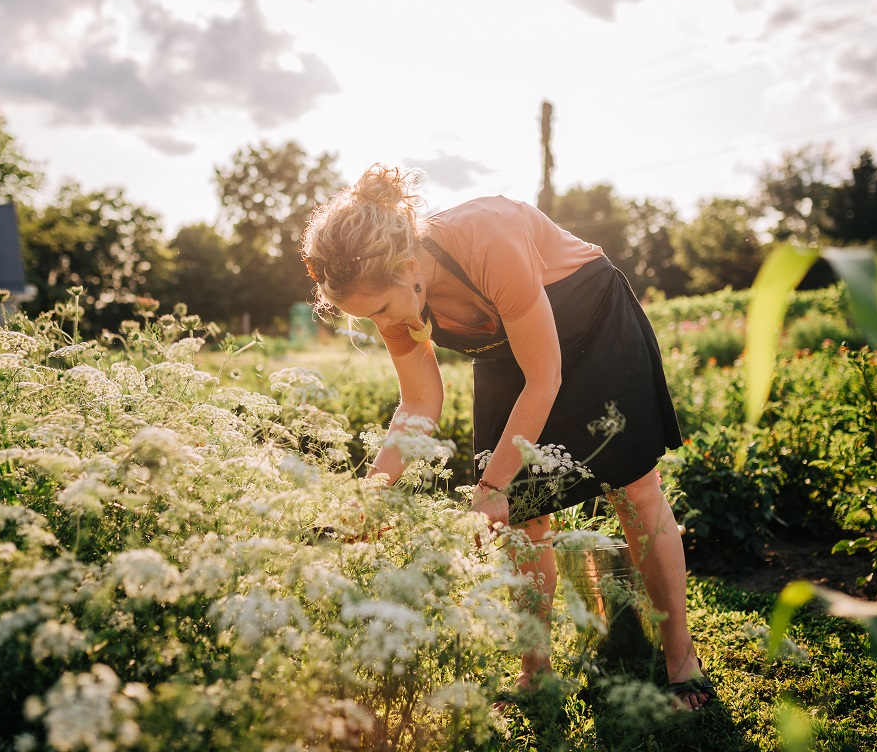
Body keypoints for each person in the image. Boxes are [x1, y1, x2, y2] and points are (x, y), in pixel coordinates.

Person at [300, 164, 716, 711]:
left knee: (634, 491)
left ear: (408, 270)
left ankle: (681, 662)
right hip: (505, 354)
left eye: (378, 310)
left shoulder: (488, 238)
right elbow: (419, 403)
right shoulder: (388, 291)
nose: (380, 324)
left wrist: (492, 485)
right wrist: (367, 498)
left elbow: (545, 376)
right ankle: (535, 674)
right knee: (523, 516)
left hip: (590, 319)